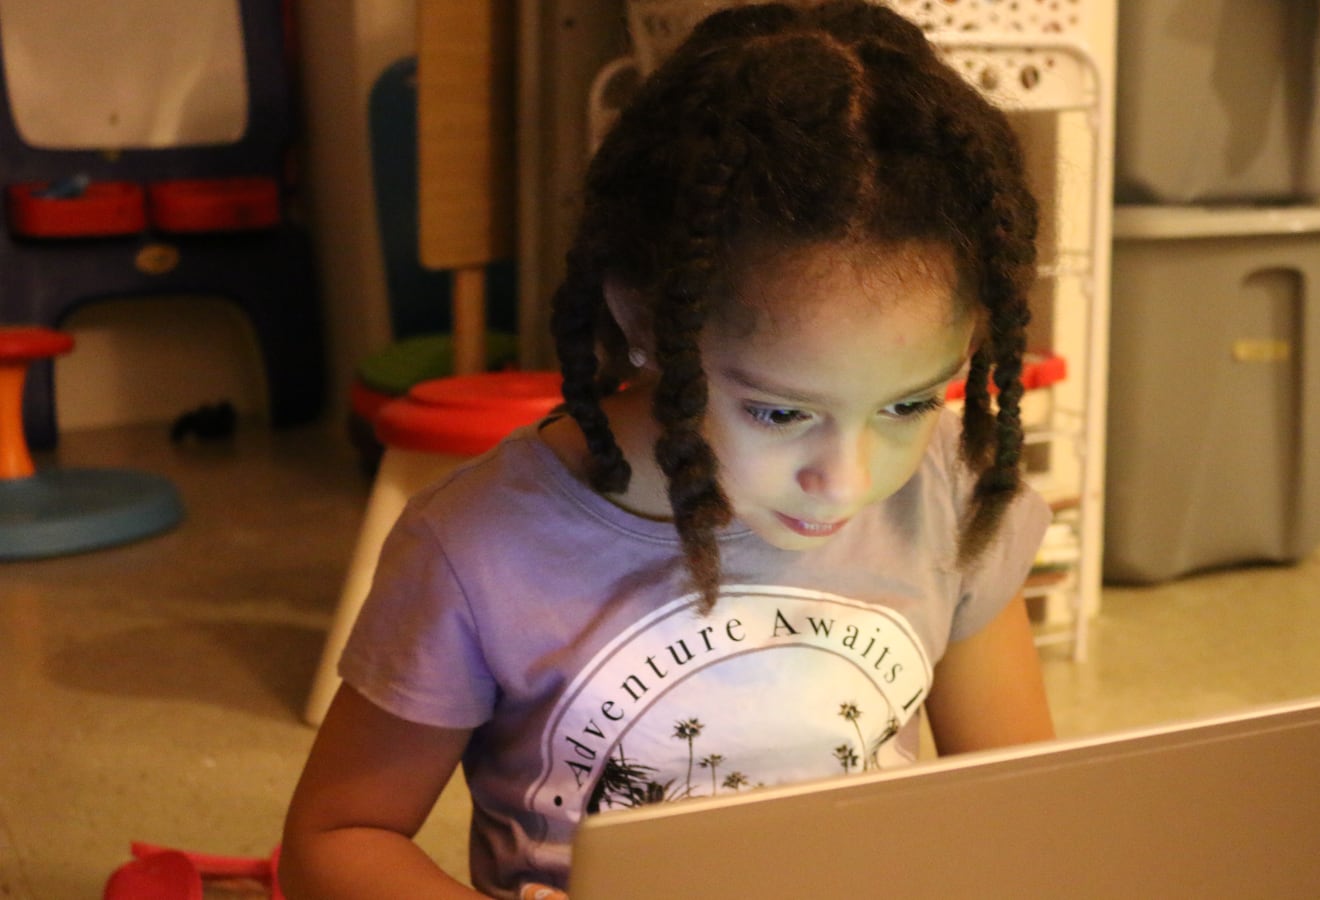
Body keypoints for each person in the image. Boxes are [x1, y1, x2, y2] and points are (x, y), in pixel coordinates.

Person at [281, 2, 1056, 896]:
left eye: (909, 403)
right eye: (780, 413)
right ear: (643, 318)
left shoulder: (950, 490)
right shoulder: (477, 548)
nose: (849, 479)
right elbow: (334, 839)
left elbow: (1020, 805)